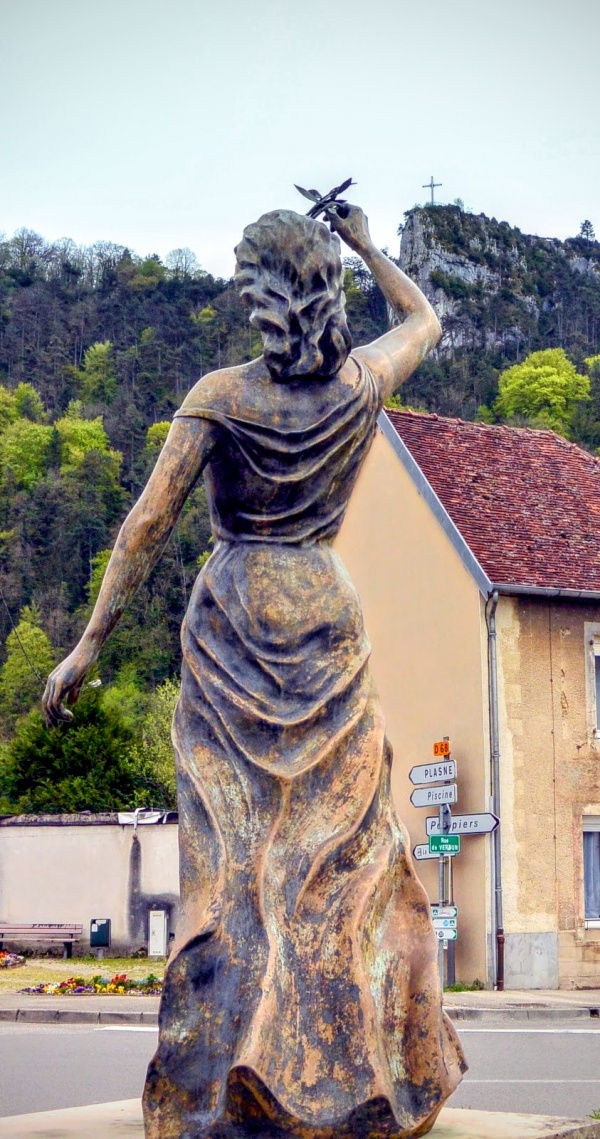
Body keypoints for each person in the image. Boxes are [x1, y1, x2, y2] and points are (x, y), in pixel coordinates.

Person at [44, 203, 466, 1138]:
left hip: (236, 616)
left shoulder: (223, 395)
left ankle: (216, 1082)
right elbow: (427, 320)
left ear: (263, 298)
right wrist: (365, 242)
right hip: (326, 609)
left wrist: (87, 646)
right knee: (343, 862)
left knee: (232, 866)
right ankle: (367, 1078)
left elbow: (145, 528)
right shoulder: (358, 383)